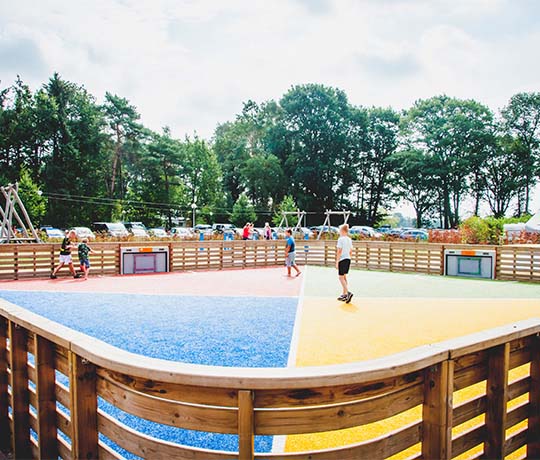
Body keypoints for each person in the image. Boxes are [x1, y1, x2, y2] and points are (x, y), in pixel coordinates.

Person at [336, 224, 353, 303]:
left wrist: (337, 261)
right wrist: (349, 258)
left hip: (342, 259)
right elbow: (350, 251)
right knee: (344, 276)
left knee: (340, 277)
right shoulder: (349, 239)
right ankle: (344, 294)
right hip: (348, 259)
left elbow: (339, 251)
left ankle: (348, 292)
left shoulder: (341, 239)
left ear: (342, 231)